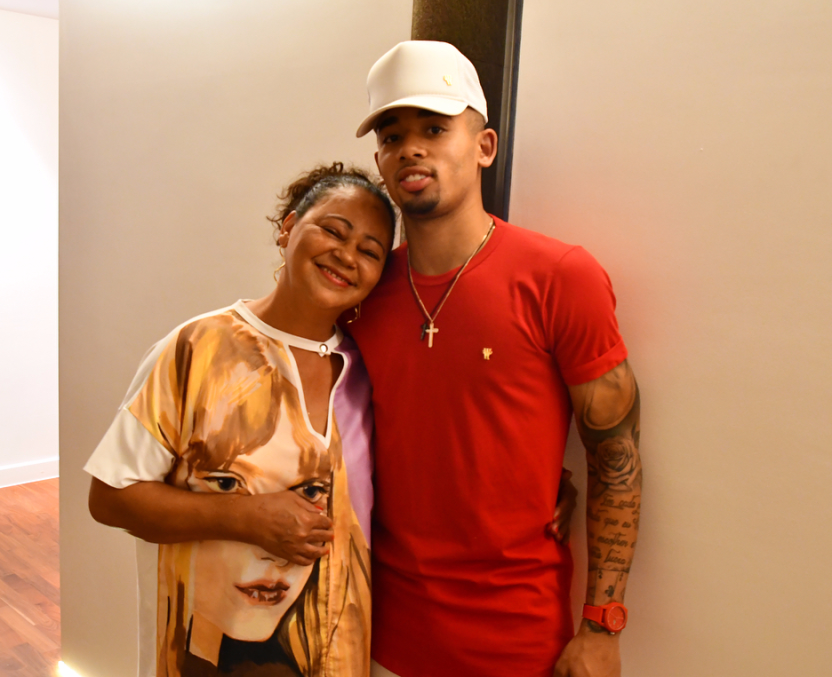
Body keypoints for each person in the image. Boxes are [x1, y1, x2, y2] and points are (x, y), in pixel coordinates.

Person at [346, 41, 643, 677]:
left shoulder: (561, 277)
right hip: (378, 638)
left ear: (484, 147)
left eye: (434, 128)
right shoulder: (360, 294)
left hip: (518, 645)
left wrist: (602, 626)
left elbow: (616, 461)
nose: (412, 149)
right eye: (393, 137)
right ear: (380, 163)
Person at [85, 164, 395, 677]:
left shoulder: (369, 372)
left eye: (370, 251)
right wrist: (246, 516)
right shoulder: (196, 348)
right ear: (288, 228)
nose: (347, 255)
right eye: (333, 231)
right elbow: (110, 496)